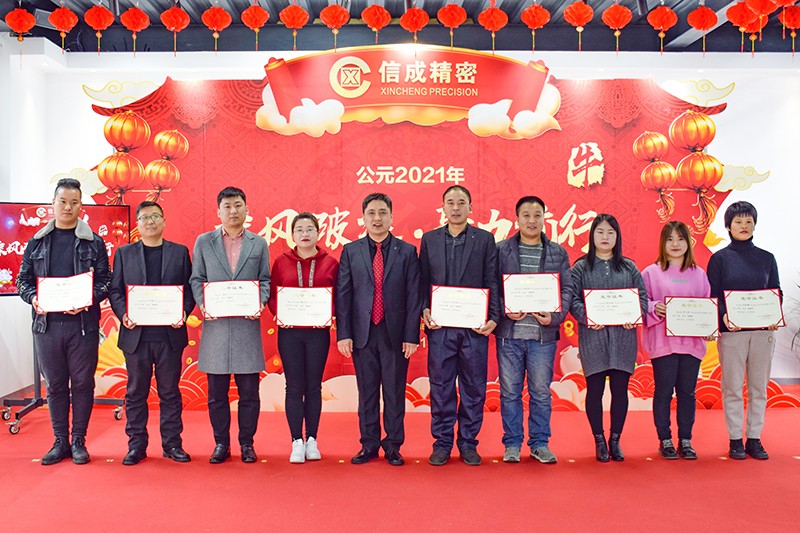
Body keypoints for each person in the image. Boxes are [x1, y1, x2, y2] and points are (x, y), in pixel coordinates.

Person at [17, 178, 111, 465]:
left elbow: (106, 281)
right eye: (63, 201)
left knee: (82, 383)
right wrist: (33, 298)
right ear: (53, 203)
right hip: (46, 326)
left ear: (81, 206)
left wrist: (87, 299)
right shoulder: (37, 242)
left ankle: (79, 440)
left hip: (82, 325)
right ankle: (60, 441)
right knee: (56, 385)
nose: (68, 207)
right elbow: (23, 281)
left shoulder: (94, 242)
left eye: (74, 202)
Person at [336, 193, 421, 466]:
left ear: (391, 216)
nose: (377, 218)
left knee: (395, 393)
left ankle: (393, 445)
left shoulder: (407, 252)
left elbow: (414, 296)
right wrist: (344, 334)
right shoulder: (351, 251)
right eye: (371, 213)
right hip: (362, 333)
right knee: (367, 392)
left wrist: (411, 335)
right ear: (363, 218)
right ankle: (369, 444)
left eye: (383, 212)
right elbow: (343, 296)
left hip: (394, 334)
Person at [109, 201, 195, 465]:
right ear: (137, 223)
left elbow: (189, 289)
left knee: (170, 392)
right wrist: (123, 314)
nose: (150, 221)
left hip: (170, 336)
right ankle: (136, 446)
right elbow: (115, 290)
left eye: (155, 216)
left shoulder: (179, 252)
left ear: (164, 221)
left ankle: (172, 444)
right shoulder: (124, 253)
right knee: (136, 392)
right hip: (136, 336)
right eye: (145, 217)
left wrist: (184, 312)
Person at [420, 185, 500, 466]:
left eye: (461, 202)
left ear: (470, 207)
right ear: (443, 207)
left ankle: (468, 443)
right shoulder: (429, 240)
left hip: (474, 329)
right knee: (441, 387)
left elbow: (492, 279)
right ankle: (442, 443)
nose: (455, 207)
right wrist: (424, 308)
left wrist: (493, 317)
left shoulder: (485, 239)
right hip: (441, 328)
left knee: (473, 387)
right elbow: (422, 281)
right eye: (450, 202)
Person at [190, 187, 270, 464]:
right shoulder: (204, 242)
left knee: (249, 394)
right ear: (218, 211)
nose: (233, 211)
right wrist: (204, 304)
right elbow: (196, 278)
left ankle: (247, 443)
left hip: (247, 327)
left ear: (247, 209)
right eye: (227, 206)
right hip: (217, 328)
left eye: (238, 205)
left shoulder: (258, 244)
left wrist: (259, 302)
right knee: (216, 395)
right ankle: (221, 443)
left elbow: (265, 280)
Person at [495, 196, 571, 464]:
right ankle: (512, 443)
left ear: (544, 218)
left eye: (537, 215)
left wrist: (554, 316)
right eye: (526, 215)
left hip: (542, 337)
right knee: (510, 392)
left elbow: (567, 289)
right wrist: (504, 309)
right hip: (509, 336)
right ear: (517, 219)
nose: (531, 221)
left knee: (540, 392)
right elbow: (492, 286)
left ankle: (540, 443)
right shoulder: (501, 250)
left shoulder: (558, 253)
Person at [569, 214, 647, 462]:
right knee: (594, 391)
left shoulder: (629, 267)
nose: (605, 237)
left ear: (617, 237)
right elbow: (572, 300)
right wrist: (587, 317)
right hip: (593, 338)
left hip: (623, 338)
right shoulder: (581, 267)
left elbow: (642, 298)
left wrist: (635, 315)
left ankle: (615, 439)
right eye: (600, 232)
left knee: (620, 390)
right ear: (592, 235)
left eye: (610, 232)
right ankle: (599, 439)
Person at [707, 201, 781, 460]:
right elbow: (713, 295)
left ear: (755, 225)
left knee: (759, 388)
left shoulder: (767, 258)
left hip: (762, 332)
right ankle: (735, 439)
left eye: (749, 221)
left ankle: (754, 438)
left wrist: (774, 314)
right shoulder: (719, 259)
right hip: (732, 332)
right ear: (728, 226)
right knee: (732, 387)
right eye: (738, 221)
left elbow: (776, 291)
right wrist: (723, 316)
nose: (744, 226)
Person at [267, 212, 339, 464]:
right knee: (294, 386)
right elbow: (273, 295)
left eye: (310, 229)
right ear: (292, 235)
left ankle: (312, 439)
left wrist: (327, 314)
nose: (305, 234)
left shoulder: (331, 263)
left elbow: (337, 296)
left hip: (318, 333)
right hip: (290, 333)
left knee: (314, 386)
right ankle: (296, 440)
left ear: (318, 233)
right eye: (299, 230)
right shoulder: (281, 262)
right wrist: (281, 314)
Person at [642, 221, 711, 461]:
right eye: (670, 239)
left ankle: (686, 440)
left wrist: (709, 326)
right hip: (663, 344)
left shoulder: (699, 274)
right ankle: (665, 440)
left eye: (680, 239)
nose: (675, 244)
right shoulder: (650, 273)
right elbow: (641, 303)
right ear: (662, 243)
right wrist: (654, 307)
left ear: (688, 243)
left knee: (687, 393)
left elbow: (706, 305)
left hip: (691, 345)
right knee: (663, 392)